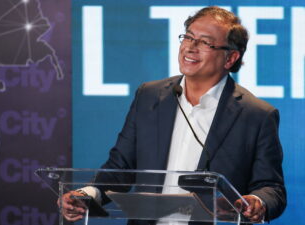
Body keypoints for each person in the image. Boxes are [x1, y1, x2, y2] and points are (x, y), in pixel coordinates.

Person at [60, 6, 286, 224]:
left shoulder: (256, 115)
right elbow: (120, 169)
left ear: (230, 58)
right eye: (188, 37)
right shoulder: (149, 97)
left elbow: (271, 188)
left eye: (205, 42)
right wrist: (85, 195)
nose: (190, 47)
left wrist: (257, 202)